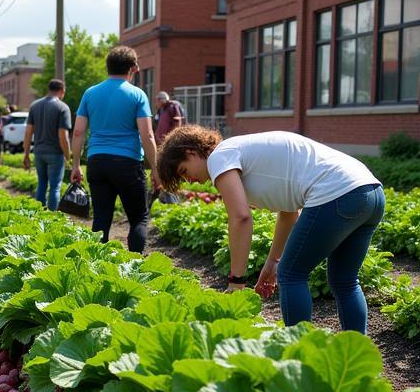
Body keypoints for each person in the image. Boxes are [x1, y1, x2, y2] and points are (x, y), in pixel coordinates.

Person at [157, 126, 385, 332]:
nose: (191, 181)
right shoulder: (241, 151)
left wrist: (236, 280)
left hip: (338, 193)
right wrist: (272, 262)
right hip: (370, 191)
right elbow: (288, 213)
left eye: (184, 172)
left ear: (191, 152)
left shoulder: (219, 156)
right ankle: (360, 360)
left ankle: (300, 357)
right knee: (344, 281)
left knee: (292, 275)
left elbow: (240, 217)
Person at [70, 45, 160, 253]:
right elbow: (147, 135)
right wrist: (155, 169)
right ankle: (134, 266)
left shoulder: (90, 93)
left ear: (107, 66)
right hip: (128, 163)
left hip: (97, 161)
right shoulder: (138, 95)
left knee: (101, 218)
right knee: (138, 218)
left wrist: (75, 165)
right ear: (133, 68)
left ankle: (97, 266)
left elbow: (78, 132)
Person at [23, 79, 72, 211]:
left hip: (38, 152)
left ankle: (39, 215)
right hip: (55, 153)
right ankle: (51, 217)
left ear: (49, 89)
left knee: (42, 184)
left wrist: (26, 154)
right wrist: (68, 156)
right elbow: (63, 136)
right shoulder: (62, 107)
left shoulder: (34, 106)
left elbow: (28, 133)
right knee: (55, 187)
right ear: (62, 91)